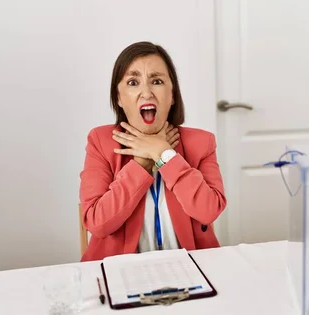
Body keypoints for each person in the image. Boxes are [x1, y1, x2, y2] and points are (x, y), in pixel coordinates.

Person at [79, 41, 227, 262]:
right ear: (118, 98)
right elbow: (97, 223)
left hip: (191, 269)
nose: (146, 92)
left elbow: (208, 211)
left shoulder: (202, 143)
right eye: (133, 82)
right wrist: (141, 162)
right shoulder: (101, 142)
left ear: (172, 95)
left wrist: (164, 154)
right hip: (120, 273)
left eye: (157, 81)